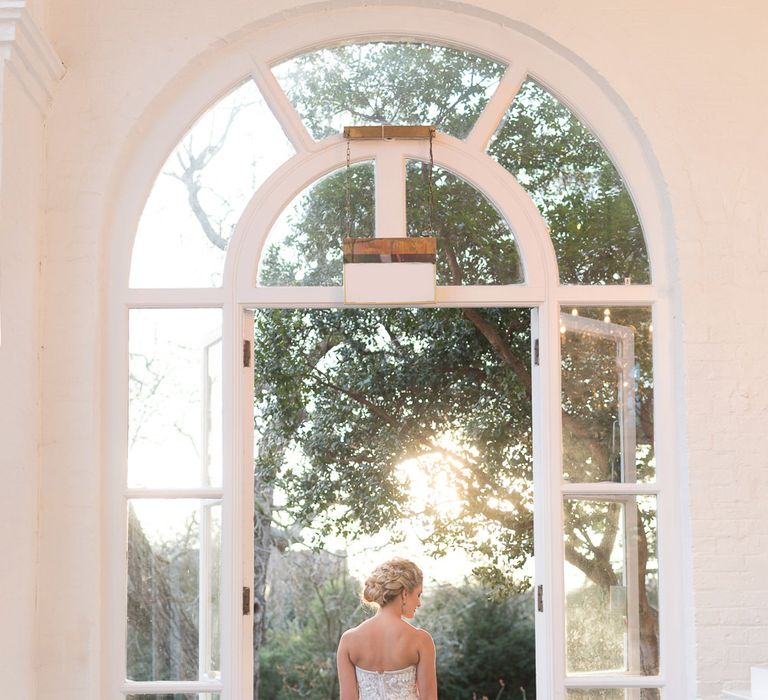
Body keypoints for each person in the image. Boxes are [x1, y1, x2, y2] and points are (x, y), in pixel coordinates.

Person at [336, 558, 438, 699]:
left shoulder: (348, 640)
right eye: (418, 594)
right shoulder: (421, 640)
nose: (419, 603)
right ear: (405, 593)